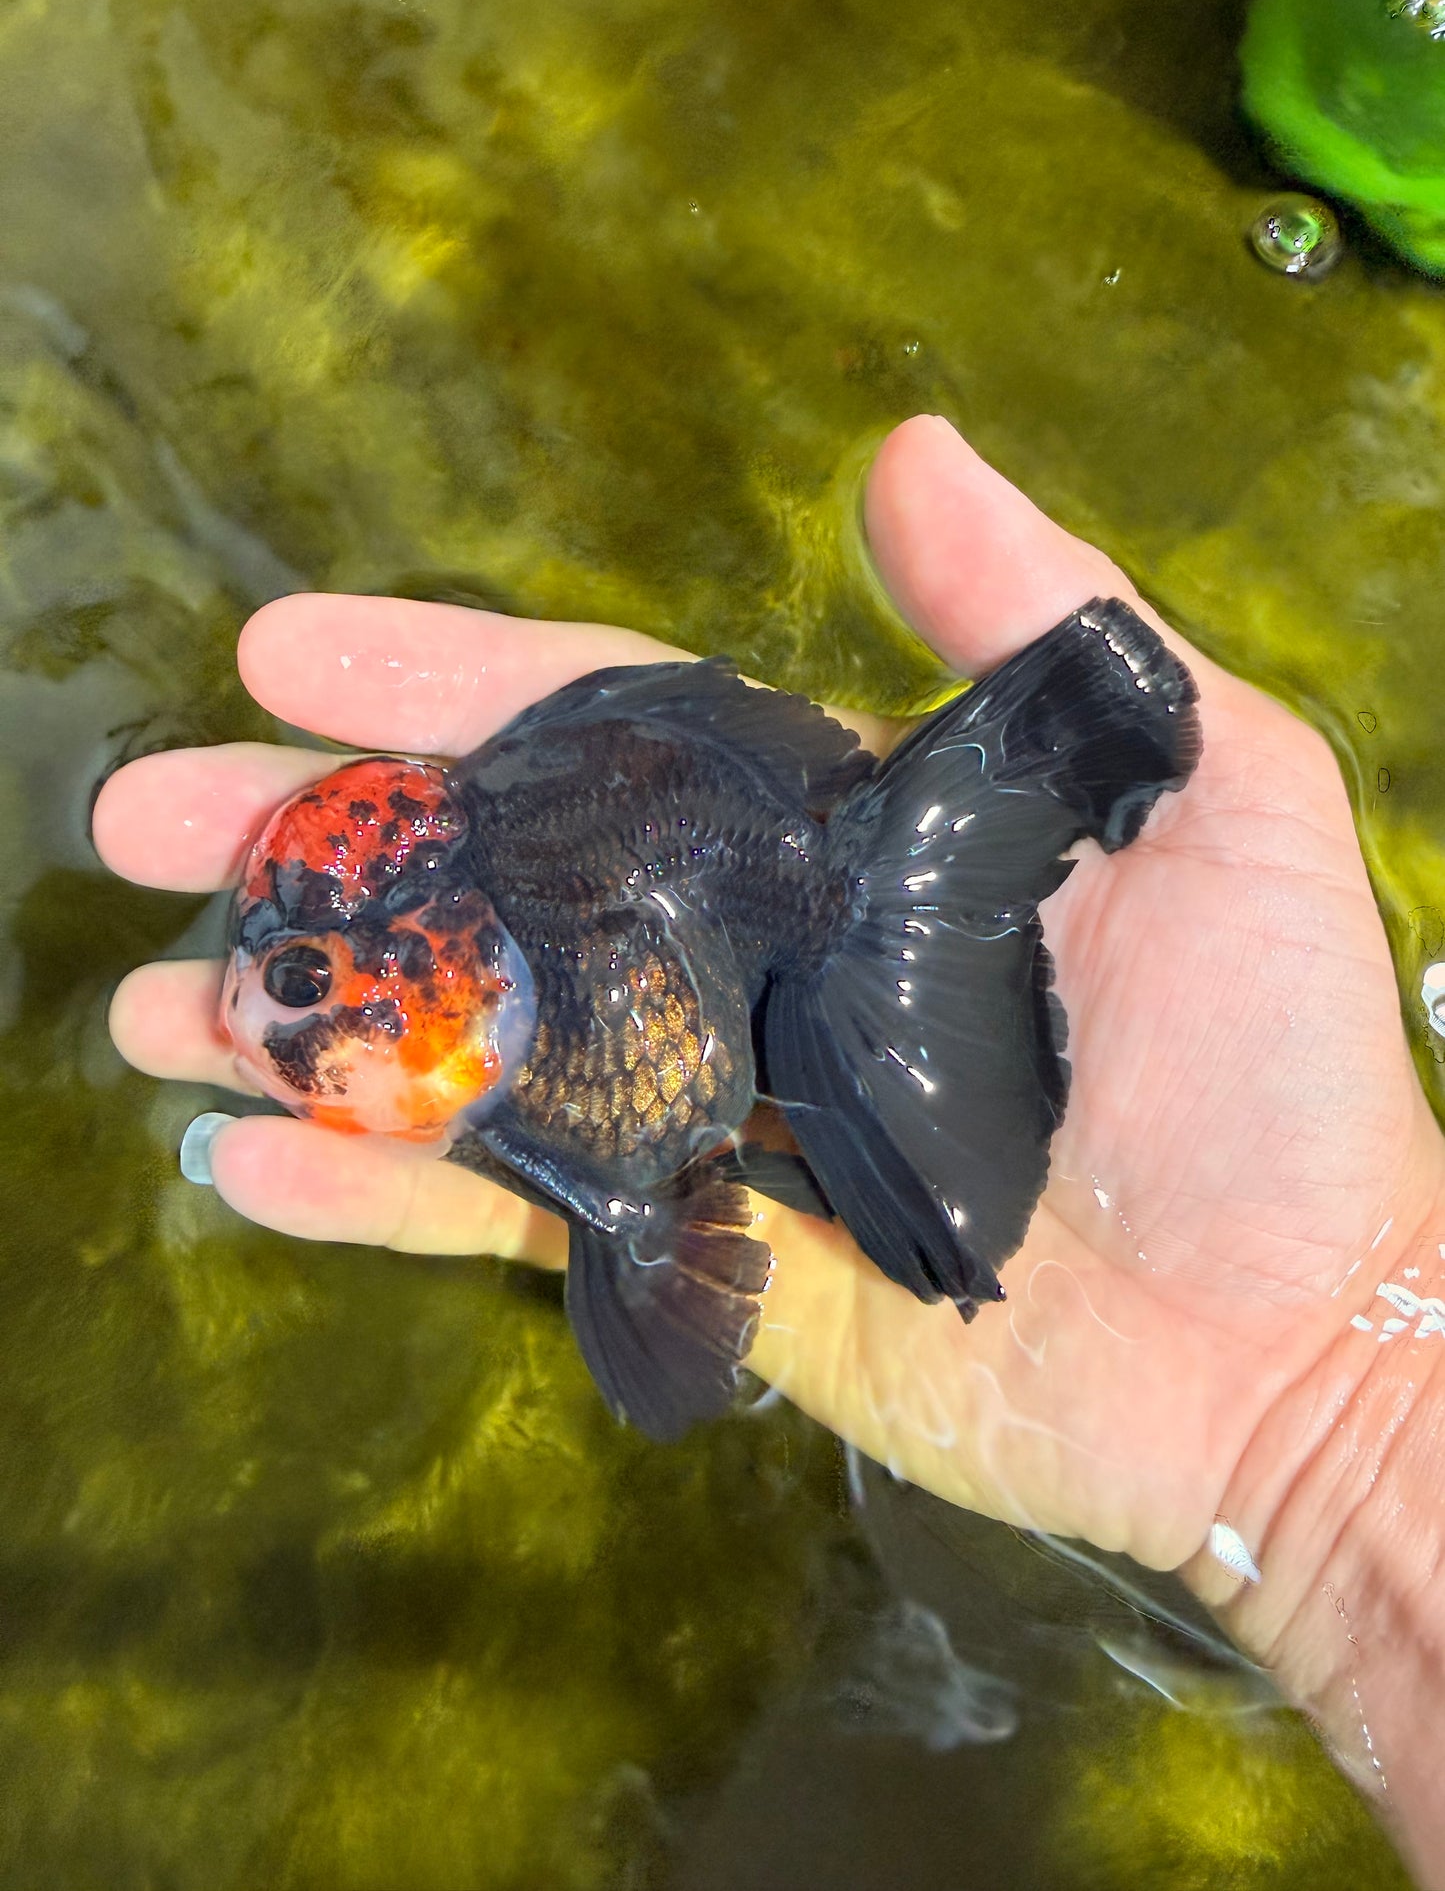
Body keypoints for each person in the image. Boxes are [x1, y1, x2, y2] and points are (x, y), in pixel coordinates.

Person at [93, 414, 1445, 1884]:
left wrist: (1346, 1415)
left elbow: (645, 1222)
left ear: (430, 952)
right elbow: (645, 1229)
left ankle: (955, 850)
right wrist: (1333, 1444)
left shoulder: (519, 962)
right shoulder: (496, 1019)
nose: (256, 1016)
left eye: (299, 982)